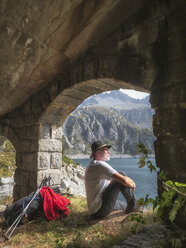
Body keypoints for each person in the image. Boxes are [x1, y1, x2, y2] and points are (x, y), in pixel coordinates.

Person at [85, 140, 141, 218]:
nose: (109, 152)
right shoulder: (99, 164)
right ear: (98, 153)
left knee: (123, 205)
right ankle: (135, 206)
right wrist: (131, 183)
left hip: (95, 208)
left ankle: (134, 207)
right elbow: (123, 179)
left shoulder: (93, 165)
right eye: (106, 150)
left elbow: (105, 183)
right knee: (121, 174)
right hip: (100, 209)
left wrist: (122, 181)